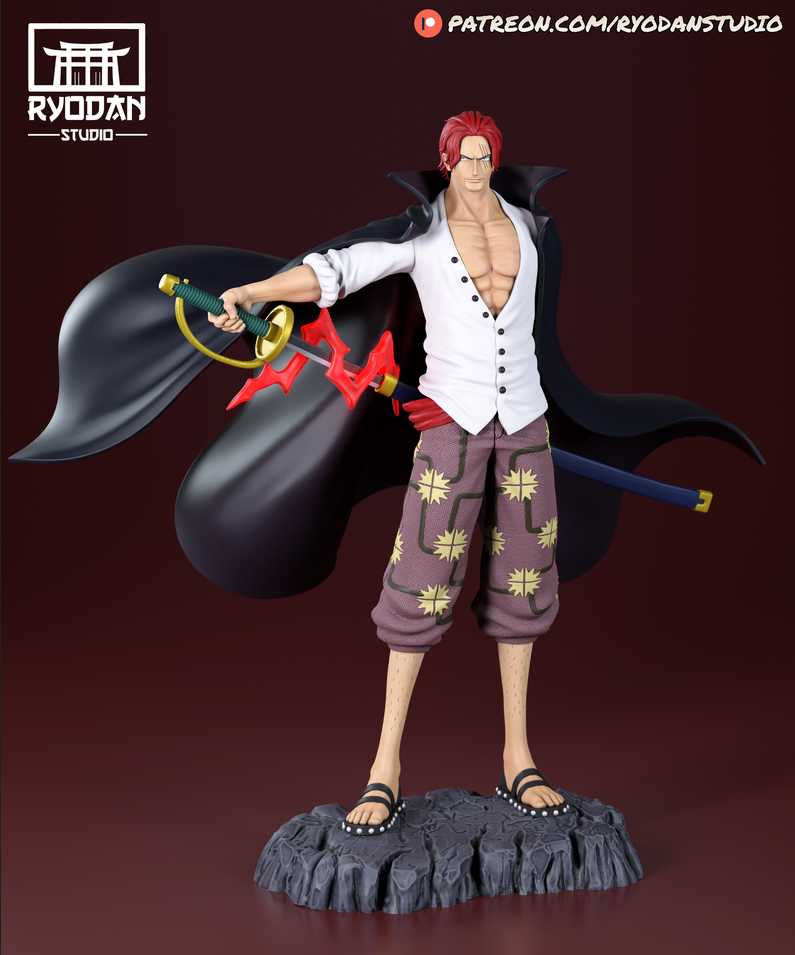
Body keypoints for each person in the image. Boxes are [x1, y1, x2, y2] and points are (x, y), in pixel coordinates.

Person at [208, 111, 569, 834]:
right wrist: (256, 292)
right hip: (450, 421)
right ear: (445, 160)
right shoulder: (420, 235)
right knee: (418, 584)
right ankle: (384, 768)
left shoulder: (529, 228)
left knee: (525, 583)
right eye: (465, 156)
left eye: (485, 155)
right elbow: (335, 271)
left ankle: (517, 758)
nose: (476, 167)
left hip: (526, 419)